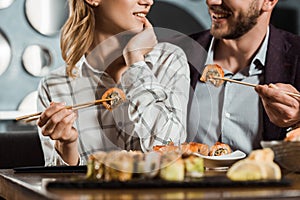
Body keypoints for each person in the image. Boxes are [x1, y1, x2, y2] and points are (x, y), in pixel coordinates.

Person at [37, 0, 190, 166]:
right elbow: (54, 185)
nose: (148, 1)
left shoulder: (168, 60)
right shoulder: (54, 85)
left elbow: (168, 149)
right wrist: (67, 146)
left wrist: (135, 61)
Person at [187, 0, 300, 154]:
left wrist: (297, 122)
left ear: (268, 2)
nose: (212, 1)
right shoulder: (176, 53)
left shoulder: (296, 57)